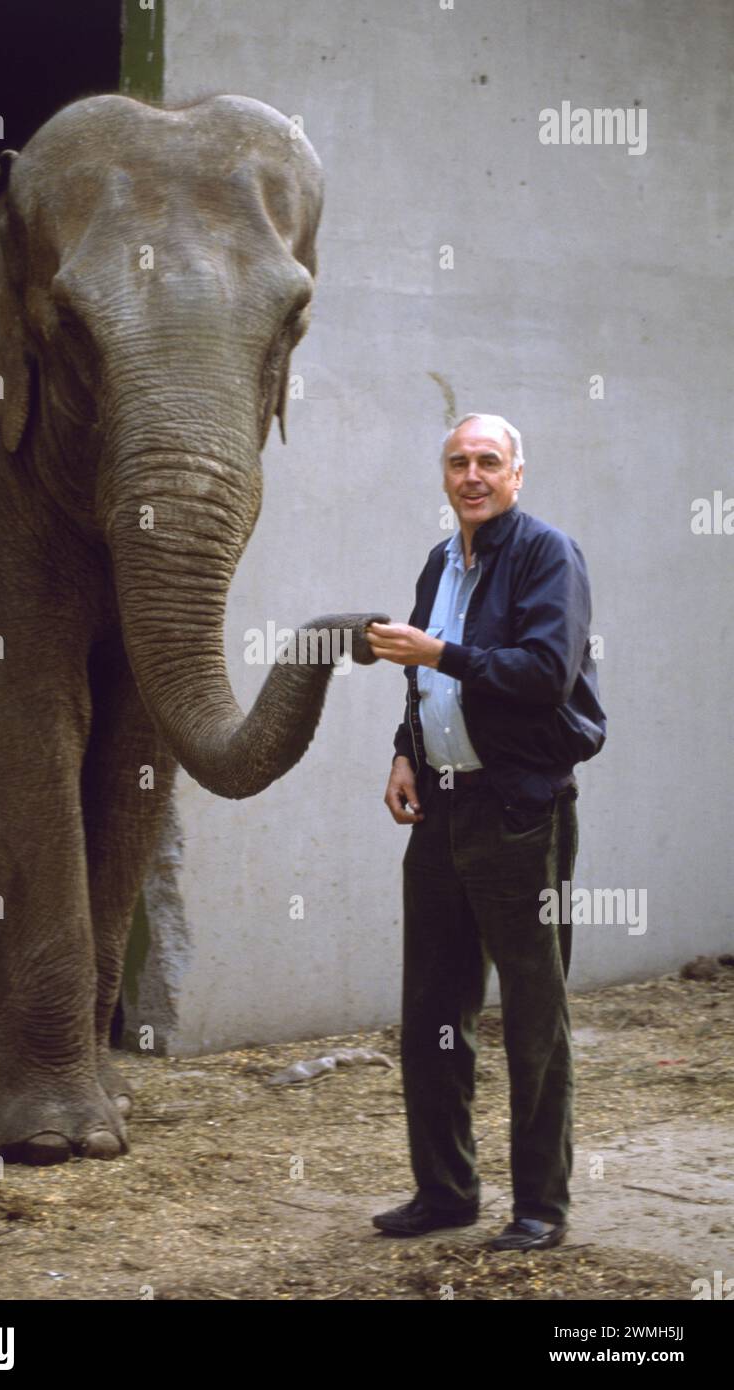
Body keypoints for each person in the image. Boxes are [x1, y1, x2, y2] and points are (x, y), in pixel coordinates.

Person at [366, 413, 606, 1251]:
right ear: (444, 475)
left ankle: (540, 1207)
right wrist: (404, 752)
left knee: (533, 1015)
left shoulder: (547, 555)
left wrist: (440, 655)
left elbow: (544, 673)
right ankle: (444, 1192)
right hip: (438, 809)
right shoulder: (442, 559)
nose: (472, 475)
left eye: (488, 462)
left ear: (516, 474)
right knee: (431, 1009)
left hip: (517, 810)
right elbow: (422, 679)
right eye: (458, 462)